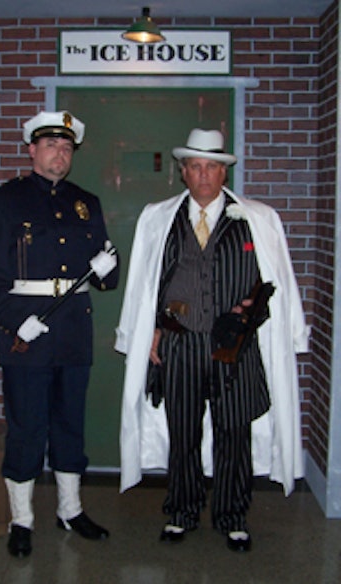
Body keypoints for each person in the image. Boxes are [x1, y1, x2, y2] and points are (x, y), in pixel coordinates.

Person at [115, 129, 309, 551]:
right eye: (196, 166)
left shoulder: (259, 218)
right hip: (179, 344)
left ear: (225, 172)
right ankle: (182, 513)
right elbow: (142, 285)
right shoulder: (157, 217)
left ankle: (232, 515)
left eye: (213, 167)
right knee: (182, 433)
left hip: (235, 349)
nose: (204, 175)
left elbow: (282, 282)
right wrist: (146, 334)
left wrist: (272, 323)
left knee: (233, 433)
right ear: (183, 172)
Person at [0, 110, 119, 558]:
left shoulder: (86, 202)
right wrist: (17, 320)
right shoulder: (4, 201)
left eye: (67, 147)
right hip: (28, 334)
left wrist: (106, 269)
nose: (60, 153)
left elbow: (107, 278)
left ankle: (70, 509)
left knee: (69, 424)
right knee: (27, 427)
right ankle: (22, 519)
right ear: (32, 149)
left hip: (73, 328)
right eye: (51, 145)